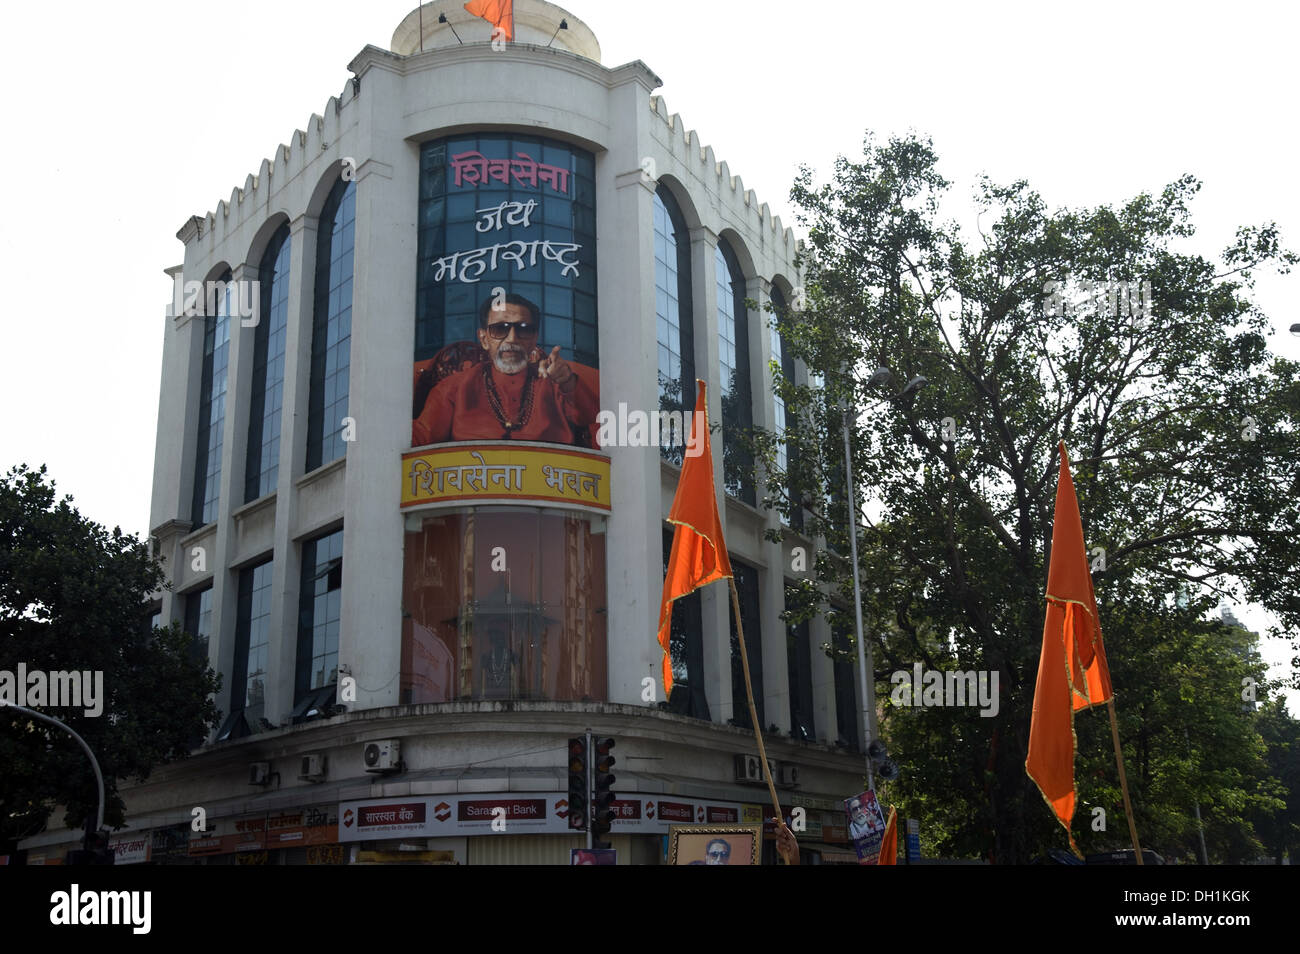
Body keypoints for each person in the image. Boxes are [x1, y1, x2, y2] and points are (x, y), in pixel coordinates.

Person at [411, 294, 600, 446]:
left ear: (534, 338)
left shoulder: (553, 381)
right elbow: (421, 437)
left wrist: (567, 381)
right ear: (484, 339)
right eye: (500, 329)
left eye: (523, 329)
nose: (511, 339)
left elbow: (590, 416)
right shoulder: (453, 388)